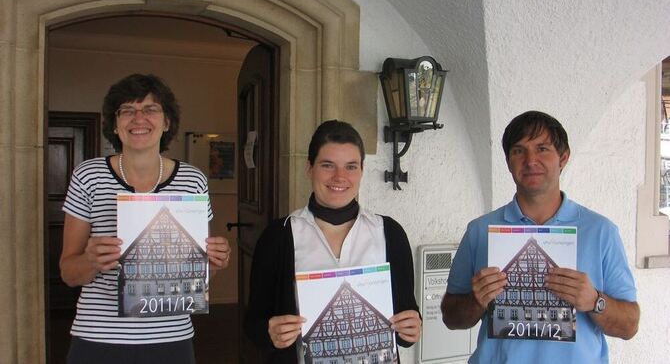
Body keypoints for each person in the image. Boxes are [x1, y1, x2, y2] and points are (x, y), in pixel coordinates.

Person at [441, 111, 639, 363]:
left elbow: (630, 325)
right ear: (508, 162)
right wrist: (476, 301)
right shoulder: (480, 231)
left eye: (542, 148)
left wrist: (594, 301)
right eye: (518, 151)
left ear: (563, 158)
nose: (530, 160)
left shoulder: (601, 232)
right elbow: (451, 318)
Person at [60, 73, 232, 364]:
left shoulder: (193, 180)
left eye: (150, 109)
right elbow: (68, 272)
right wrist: (91, 260)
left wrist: (213, 263)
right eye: (127, 110)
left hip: (171, 337)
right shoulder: (88, 175)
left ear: (166, 122)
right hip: (99, 336)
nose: (138, 118)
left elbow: (195, 275)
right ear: (115, 124)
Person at [244, 120, 421, 363]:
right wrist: (269, 331)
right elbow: (253, 324)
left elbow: (404, 326)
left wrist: (411, 327)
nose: (340, 177)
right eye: (328, 165)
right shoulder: (278, 236)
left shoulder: (390, 233)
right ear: (309, 168)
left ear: (361, 170)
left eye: (351, 166)